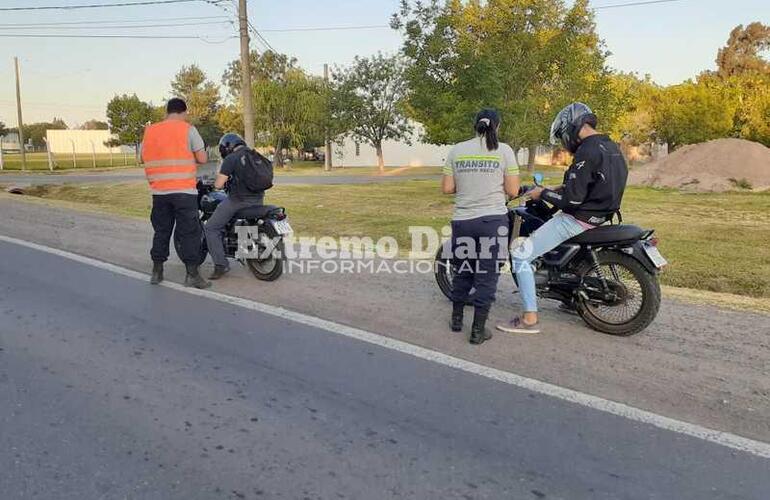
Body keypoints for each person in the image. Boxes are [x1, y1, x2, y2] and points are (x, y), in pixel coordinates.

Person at [498, 102, 628, 334]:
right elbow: (592, 182)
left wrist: (542, 193)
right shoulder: (610, 146)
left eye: (562, 134)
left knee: (520, 256)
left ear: (572, 126)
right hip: (601, 215)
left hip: (579, 218)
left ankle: (529, 318)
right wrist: (558, 187)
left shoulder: (587, 150)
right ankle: (568, 299)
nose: (563, 140)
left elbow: (572, 202)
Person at [443, 109, 520, 345]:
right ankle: (477, 331)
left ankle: (456, 320)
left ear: (475, 125)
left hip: (463, 222)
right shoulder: (504, 151)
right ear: (497, 127)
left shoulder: (456, 150)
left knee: (463, 269)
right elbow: (513, 191)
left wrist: (468, 185)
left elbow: (447, 188)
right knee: (487, 276)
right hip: (492, 222)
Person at [142, 97, 210, 289]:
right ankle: (192, 275)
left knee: (161, 231)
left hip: (159, 192)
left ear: (167, 111)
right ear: (183, 112)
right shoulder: (188, 129)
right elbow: (203, 158)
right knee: (188, 232)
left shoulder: (151, 131)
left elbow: (142, 158)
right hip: (184, 192)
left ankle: (157, 271)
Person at [204, 133, 267, 280]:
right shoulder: (255, 155)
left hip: (238, 201)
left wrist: (213, 183)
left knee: (211, 228)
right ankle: (245, 249)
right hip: (258, 199)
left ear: (227, 147)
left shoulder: (231, 159)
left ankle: (221, 265)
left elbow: (219, 185)